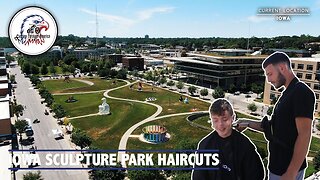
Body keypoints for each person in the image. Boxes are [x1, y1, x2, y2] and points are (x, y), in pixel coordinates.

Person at [236, 51, 315, 180]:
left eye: (270, 74)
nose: (268, 79)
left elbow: (305, 134)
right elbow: (274, 128)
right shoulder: (288, 93)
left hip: (286, 171)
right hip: (278, 168)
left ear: (282, 68)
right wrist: (247, 123)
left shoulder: (300, 92)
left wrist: (291, 172)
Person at [192, 98, 265, 180]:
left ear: (233, 118)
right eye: (215, 120)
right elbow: (198, 177)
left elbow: (256, 176)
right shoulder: (205, 145)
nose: (220, 125)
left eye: (224, 119)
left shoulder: (245, 145)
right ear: (211, 121)